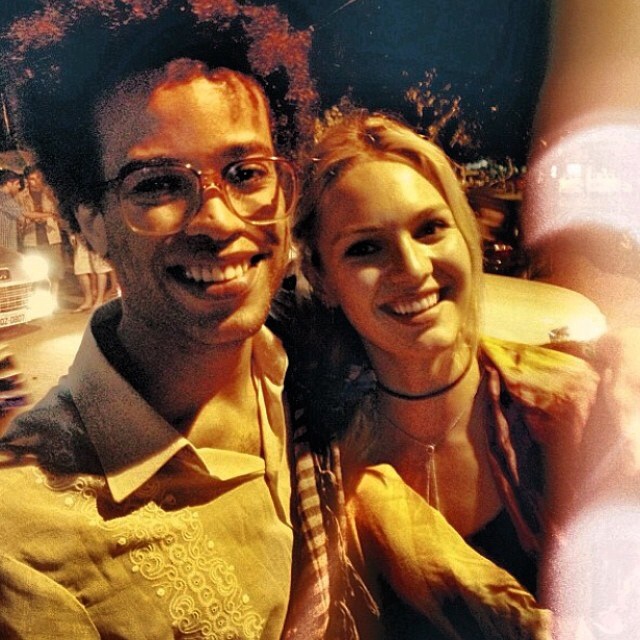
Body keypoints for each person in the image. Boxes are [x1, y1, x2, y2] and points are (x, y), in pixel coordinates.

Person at [0, 1, 316, 637]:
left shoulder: (318, 364)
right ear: (89, 222)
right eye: (157, 184)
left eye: (246, 173)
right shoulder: (24, 537)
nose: (218, 220)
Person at [287, 110, 602, 638]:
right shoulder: (313, 459)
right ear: (321, 277)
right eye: (365, 248)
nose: (413, 268)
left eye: (430, 229)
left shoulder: (577, 410)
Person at [18, 164, 66, 304]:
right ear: (27, 180)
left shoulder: (50, 193)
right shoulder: (21, 196)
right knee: (34, 271)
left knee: (54, 271)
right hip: (31, 238)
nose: (36, 182)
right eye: (32, 179)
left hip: (51, 237)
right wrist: (43, 216)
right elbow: (22, 215)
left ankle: (53, 299)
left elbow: (59, 211)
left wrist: (48, 215)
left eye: (38, 178)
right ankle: (39, 298)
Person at [69, 224, 114, 312]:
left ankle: (99, 300)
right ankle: (88, 300)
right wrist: (72, 232)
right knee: (80, 268)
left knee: (100, 267)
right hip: (80, 232)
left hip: (95, 231)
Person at [0, 168, 23, 251]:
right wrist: (50, 214)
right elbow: (23, 213)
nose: (19, 186)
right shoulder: (4, 197)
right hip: (5, 247)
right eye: (17, 183)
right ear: (9, 183)